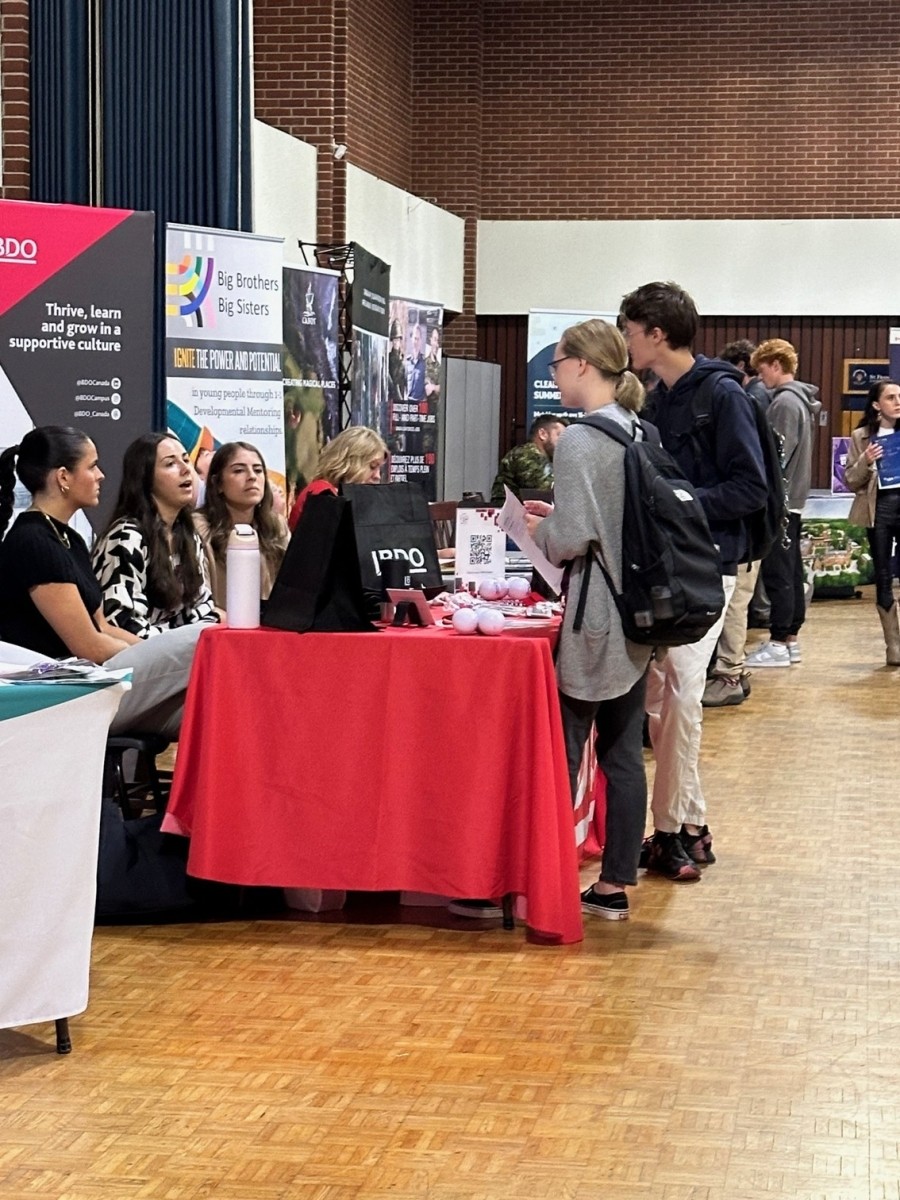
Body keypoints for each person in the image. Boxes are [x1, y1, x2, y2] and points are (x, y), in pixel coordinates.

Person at [619, 282, 767, 880]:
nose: (625, 340)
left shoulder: (722, 396)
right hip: (670, 568)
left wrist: (678, 504)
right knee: (664, 698)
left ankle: (670, 831)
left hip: (712, 568)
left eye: (630, 330)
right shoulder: (660, 398)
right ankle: (693, 822)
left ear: (657, 333)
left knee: (679, 695)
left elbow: (750, 489)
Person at [524, 320, 654, 920]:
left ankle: (544, 880)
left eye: (554, 364)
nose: (552, 376)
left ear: (580, 366)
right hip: (637, 616)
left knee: (564, 750)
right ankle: (614, 884)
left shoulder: (579, 440)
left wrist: (538, 529)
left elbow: (574, 536)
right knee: (624, 756)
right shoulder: (637, 429)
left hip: (594, 616)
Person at [0, 426, 206, 738]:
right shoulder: (32, 541)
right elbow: (89, 646)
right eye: (92, 466)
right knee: (203, 638)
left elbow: (104, 626)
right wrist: (159, 654)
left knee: (211, 707)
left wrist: (155, 650)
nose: (101, 476)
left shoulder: (70, 539)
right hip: (62, 692)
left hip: (92, 679)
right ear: (63, 477)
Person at [91, 433, 219, 638]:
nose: (186, 469)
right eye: (170, 464)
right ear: (145, 478)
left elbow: (201, 609)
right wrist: (179, 645)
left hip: (178, 651)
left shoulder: (187, 535)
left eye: (186, 460)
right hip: (135, 655)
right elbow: (122, 622)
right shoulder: (125, 537)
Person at [744, 339, 820, 668]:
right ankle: (789, 640)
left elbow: (776, 457)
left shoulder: (785, 403)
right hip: (795, 499)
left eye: (762, 371)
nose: (761, 379)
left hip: (782, 501)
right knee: (791, 569)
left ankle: (778, 642)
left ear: (776, 365)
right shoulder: (800, 401)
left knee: (779, 572)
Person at [703, 338, 771, 707]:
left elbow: (751, 485)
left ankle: (730, 674)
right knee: (737, 602)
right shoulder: (753, 398)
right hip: (749, 528)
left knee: (736, 603)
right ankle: (733, 671)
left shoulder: (740, 399)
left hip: (743, 529)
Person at [844, 378, 900, 665]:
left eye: (899, 396)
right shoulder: (861, 436)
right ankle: (893, 646)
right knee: (882, 576)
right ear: (877, 405)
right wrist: (865, 460)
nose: (898, 402)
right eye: (891, 397)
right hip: (878, 510)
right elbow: (851, 481)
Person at [194, 441, 290, 609]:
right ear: (217, 484)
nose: (252, 476)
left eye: (258, 470)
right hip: (215, 628)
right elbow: (196, 603)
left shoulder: (277, 526)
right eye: (239, 470)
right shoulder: (199, 526)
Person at [287, 426, 388, 531]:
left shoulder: (331, 494)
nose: (377, 476)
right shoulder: (323, 495)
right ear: (350, 463)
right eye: (372, 466)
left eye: (379, 469)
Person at [489, 414, 566, 505]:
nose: (564, 442)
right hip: (510, 515)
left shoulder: (544, 459)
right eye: (559, 435)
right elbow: (547, 490)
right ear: (542, 434)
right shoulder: (526, 454)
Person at [407, 324, 426, 402]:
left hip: (419, 404)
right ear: (411, 339)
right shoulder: (406, 362)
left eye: (418, 339)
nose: (416, 342)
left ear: (421, 341)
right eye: (415, 338)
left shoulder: (425, 363)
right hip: (406, 403)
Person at [425, 326, 441, 399]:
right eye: (435, 340)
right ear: (430, 340)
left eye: (438, 341)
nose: (436, 344)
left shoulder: (440, 367)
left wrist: (433, 387)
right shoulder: (423, 364)